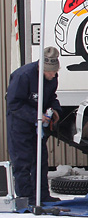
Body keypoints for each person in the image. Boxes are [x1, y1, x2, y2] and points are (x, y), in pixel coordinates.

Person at [6, 46, 63, 204]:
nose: (53, 75)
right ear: (41, 68)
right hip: (20, 124)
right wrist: (36, 116)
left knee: (40, 160)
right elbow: (14, 103)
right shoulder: (23, 76)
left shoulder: (51, 77)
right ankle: (26, 197)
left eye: (55, 72)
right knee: (23, 160)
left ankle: (42, 194)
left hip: (38, 127)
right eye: (50, 72)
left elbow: (51, 97)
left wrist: (55, 111)